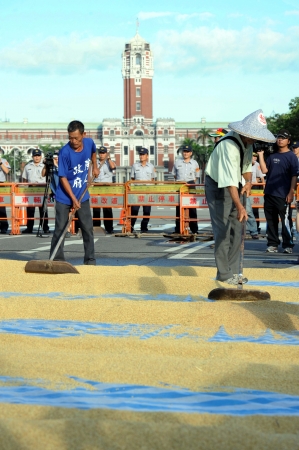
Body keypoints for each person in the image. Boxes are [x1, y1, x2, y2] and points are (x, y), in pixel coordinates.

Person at [205, 109, 275, 285]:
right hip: (218, 186)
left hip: (235, 184)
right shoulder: (228, 145)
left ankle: (234, 271)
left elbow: (246, 168)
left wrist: (249, 182)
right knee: (223, 229)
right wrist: (241, 206)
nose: (254, 139)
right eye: (252, 135)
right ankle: (224, 274)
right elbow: (228, 180)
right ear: (244, 132)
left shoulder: (247, 144)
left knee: (238, 228)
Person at [49, 120, 99, 265]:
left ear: (83, 135)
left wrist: (94, 168)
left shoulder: (89, 143)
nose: (73, 141)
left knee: (87, 228)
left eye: (76, 138)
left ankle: (90, 259)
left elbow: (93, 153)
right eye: (70, 137)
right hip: (64, 196)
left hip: (82, 194)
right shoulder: (65, 152)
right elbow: (63, 178)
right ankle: (56, 260)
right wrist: (73, 199)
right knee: (61, 228)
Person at [258, 130, 298, 254]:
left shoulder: (291, 157)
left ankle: (288, 245)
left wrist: (291, 192)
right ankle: (273, 244)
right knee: (271, 220)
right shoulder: (272, 155)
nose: (280, 140)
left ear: (288, 141)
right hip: (269, 193)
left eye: (283, 138)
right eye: (279, 138)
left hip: (283, 194)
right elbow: (264, 170)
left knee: (285, 220)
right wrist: (260, 155)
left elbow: (294, 176)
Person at [172, 144, 200, 234]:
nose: (185, 153)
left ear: (191, 153)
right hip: (180, 185)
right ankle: (178, 228)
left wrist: (190, 183)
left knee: (192, 207)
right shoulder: (177, 162)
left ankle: (194, 229)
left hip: (190, 184)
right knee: (179, 207)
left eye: (187, 152)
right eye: (184, 151)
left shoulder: (195, 163)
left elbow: (197, 176)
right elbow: (174, 174)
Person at [22, 148, 50, 234]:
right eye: (35, 156)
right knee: (30, 209)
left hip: (42, 188)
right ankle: (29, 228)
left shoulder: (45, 166)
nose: (37, 157)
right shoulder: (28, 166)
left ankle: (45, 227)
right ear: (32, 156)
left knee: (43, 209)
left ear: (41, 156)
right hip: (31, 189)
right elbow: (24, 179)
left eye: (38, 156)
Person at [130, 148, 155, 233]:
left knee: (147, 211)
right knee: (134, 210)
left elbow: (152, 179)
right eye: (140, 154)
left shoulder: (151, 166)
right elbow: (132, 178)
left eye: (143, 154)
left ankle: (144, 227)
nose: (141, 156)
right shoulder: (135, 166)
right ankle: (131, 226)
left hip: (147, 192)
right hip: (137, 191)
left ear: (147, 156)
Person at [93, 146, 116, 234]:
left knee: (107, 208)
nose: (101, 155)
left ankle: (109, 227)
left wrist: (109, 159)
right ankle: (96, 227)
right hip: (97, 186)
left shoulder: (109, 162)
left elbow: (113, 169)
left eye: (103, 153)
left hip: (106, 187)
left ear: (106, 154)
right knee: (96, 208)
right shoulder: (94, 163)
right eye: (100, 153)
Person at [251, 151, 265, 233]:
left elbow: (262, 177)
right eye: (253, 156)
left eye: (256, 156)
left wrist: (264, 187)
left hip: (254, 187)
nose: (254, 157)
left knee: (255, 208)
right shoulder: (244, 162)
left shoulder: (257, 165)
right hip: (245, 186)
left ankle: (256, 226)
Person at [0, 154, 11, 234]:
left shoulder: (4, 161)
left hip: (1, 185)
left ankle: (4, 226)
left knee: (2, 208)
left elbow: (7, 171)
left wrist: (0, 163)